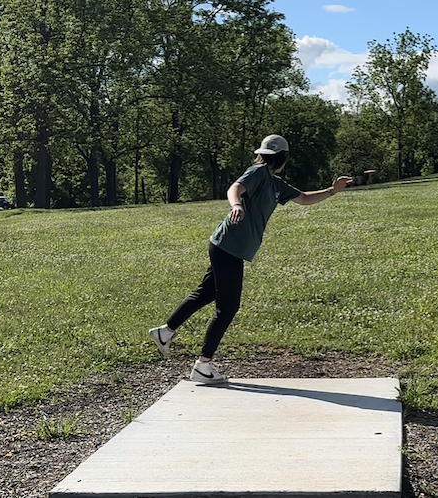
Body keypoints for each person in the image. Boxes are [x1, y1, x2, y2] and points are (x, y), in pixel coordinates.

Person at [149, 134, 352, 384]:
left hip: (228, 246)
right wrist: (236, 205)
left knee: (206, 293)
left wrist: (333, 191)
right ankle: (203, 366)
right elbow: (234, 188)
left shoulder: (275, 183)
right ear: (283, 158)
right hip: (228, 247)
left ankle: (165, 332)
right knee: (228, 306)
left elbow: (305, 198)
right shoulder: (257, 172)